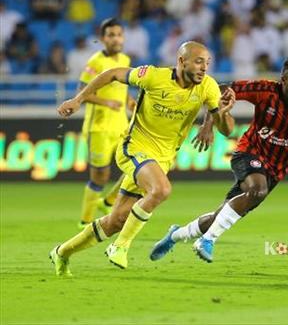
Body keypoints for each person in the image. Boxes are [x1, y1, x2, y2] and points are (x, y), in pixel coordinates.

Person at [49, 41, 235, 276]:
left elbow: (227, 130)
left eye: (207, 63)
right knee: (161, 190)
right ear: (181, 61)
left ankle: (62, 252)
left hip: (161, 160)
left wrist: (222, 113)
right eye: (198, 61)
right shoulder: (153, 76)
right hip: (134, 147)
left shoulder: (208, 87)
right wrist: (79, 99)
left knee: (115, 221)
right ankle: (120, 247)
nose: (204, 68)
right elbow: (112, 74)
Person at [149, 55, 288, 263]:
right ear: (284, 79)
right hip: (249, 152)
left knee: (220, 216)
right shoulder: (265, 91)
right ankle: (208, 241)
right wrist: (208, 124)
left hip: (275, 171)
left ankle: (175, 235)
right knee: (257, 190)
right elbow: (222, 90)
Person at [74, 18, 134, 229]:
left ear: (123, 37)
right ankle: (85, 220)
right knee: (100, 176)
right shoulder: (95, 62)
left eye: (119, 34)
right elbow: (81, 93)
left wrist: (130, 102)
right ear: (103, 39)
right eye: (111, 35)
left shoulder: (125, 59)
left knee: (135, 166)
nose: (116, 38)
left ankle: (108, 202)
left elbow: (123, 89)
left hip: (121, 126)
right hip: (98, 127)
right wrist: (105, 101)